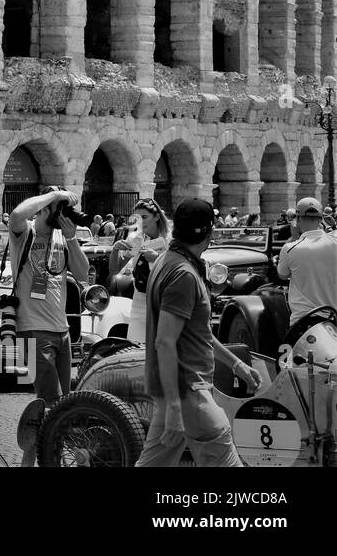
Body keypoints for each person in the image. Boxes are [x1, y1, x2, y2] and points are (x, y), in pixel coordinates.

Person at [137, 200, 262, 467]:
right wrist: (173, 407)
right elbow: (165, 341)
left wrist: (235, 363)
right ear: (209, 232)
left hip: (178, 391)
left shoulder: (167, 261)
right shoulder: (184, 273)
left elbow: (197, 331)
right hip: (189, 392)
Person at [8, 188, 89, 409]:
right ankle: (46, 442)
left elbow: (83, 274)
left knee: (64, 402)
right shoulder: (25, 233)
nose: (65, 214)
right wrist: (55, 195)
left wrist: (71, 238)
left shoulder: (61, 237)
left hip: (62, 330)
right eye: (61, 209)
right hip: (33, 329)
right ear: (44, 208)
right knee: (51, 399)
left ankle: (53, 441)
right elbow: (16, 215)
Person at [111, 199, 170, 341]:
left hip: (164, 302)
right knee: (136, 349)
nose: (140, 222)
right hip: (140, 301)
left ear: (156, 217)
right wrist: (115, 250)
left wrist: (157, 258)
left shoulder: (169, 240)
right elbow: (115, 270)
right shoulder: (137, 239)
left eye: (144, 217)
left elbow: (177, 271)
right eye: (137, 218)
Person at [276, 197, 337, 326]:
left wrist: (294, 236)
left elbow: (282, 275)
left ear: (297, 219)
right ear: (321, 219)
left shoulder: (290, 248)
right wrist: (333, 224)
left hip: (304, 320)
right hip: (333, 318)